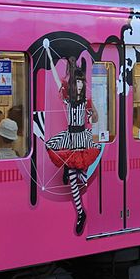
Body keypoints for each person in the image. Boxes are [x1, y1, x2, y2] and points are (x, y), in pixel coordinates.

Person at [44, 56, 101, 236]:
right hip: (70, 135)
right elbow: (55, 80)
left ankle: (80, 208)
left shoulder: (86, 102)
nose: (80, 86)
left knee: (79, 173)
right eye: (77, 83)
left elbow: (95, 119)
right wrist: (51, 61)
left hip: (82, 135)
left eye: (82, 83)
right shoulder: (66, 100)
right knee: (51, 146)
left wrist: (93, 116)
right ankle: (80, 211)